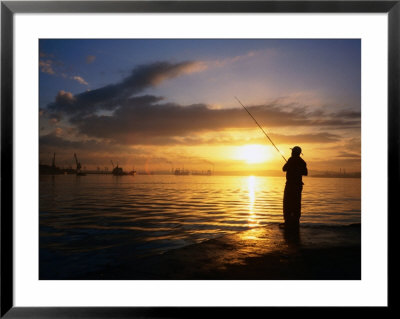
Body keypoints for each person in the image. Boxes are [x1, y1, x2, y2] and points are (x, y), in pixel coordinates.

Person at [282, 146, 308, 227]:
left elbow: (283, 168)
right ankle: (295, 221)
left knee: (287, 203)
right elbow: (305, 173)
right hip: (298, 186)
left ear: (293, 152)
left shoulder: (291, 160)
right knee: (296, 204)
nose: (291, 152)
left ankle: (288, 221)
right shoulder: (302, 162)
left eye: (292, 151)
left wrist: (291, 165)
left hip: (290, 186)